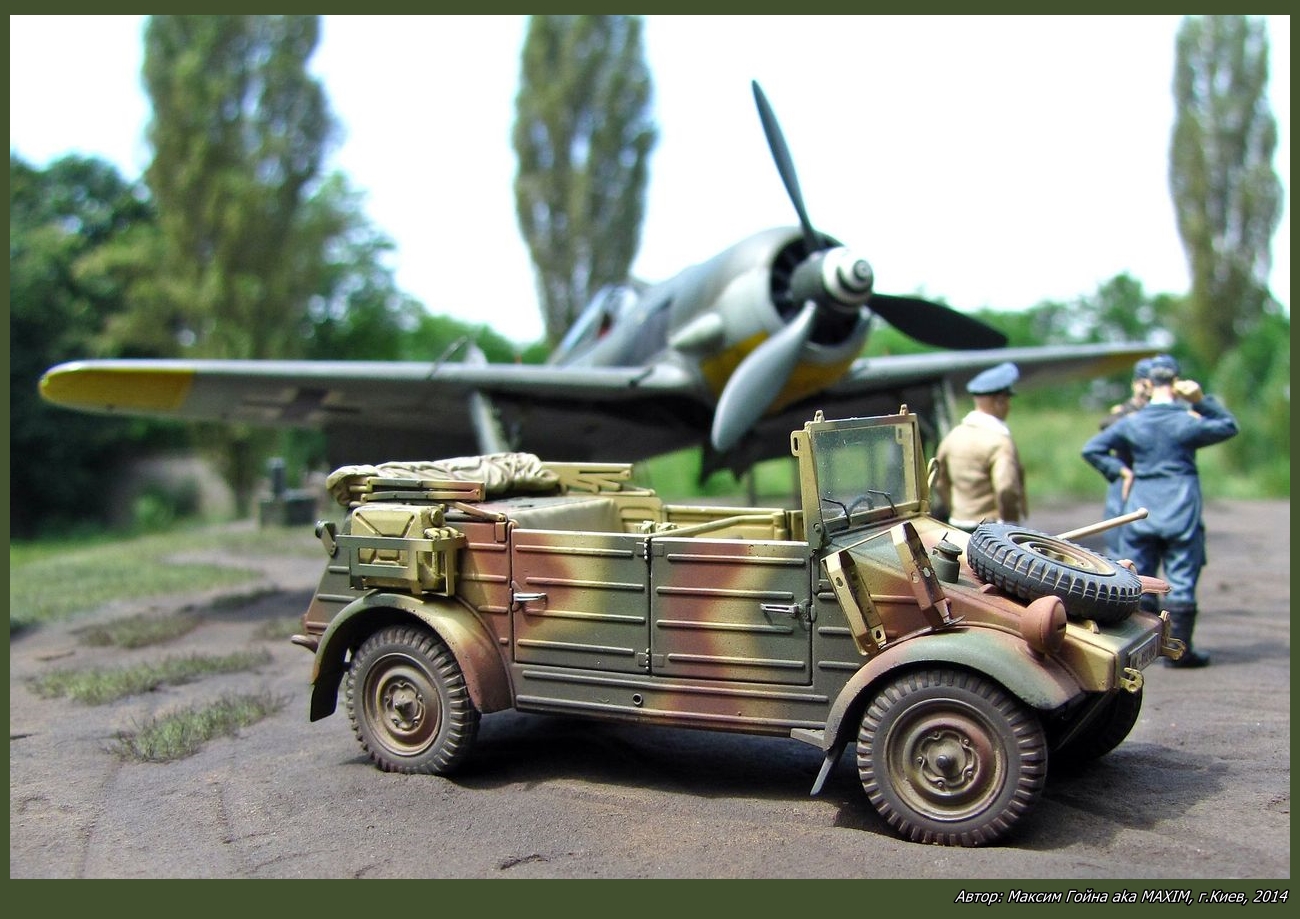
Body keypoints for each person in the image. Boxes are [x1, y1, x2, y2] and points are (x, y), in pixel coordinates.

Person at [1081, 354, 1238, 668]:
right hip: (1181, 508)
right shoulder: (1186, 421)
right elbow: (1228, 426)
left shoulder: (1132, 422)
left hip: (1142, 508)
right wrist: (1201, 400)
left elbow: (1092, 448)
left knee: (1140, 578)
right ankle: (1180, 652)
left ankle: (1142, 648)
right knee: (1182, 576)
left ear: (1148, 385)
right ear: (1176, 383)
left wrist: (1118, 471)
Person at [932, 362, 1026, 532]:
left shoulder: (953, 436)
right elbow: (1006, 487)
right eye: (1006, 400)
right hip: (992, 529)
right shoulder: (1000, 443)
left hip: (958, 523)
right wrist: (1010, 521)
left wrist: (955, 509)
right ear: (999, 402)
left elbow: (939, 480)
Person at [1098, 357, 1154, 555]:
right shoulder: (1123, 413)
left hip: (1153, 484)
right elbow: (1105, 427)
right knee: (1118, 543)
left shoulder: (1162, 412)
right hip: (1127, 482)